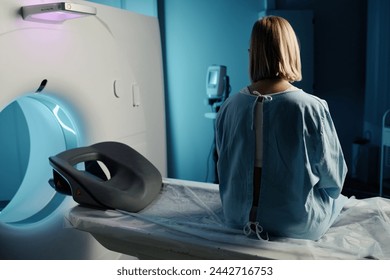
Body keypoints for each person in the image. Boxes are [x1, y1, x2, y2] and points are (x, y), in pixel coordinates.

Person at [215, 16, 348, 240]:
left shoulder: (229, 106)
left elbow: (225, 170)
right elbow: (334, 183)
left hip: (236, 216)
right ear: (291, 52)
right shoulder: (310, 107)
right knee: (338, 200)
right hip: (293, 222)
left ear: (252, 53)